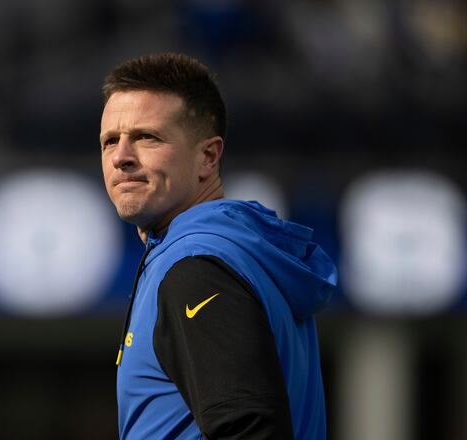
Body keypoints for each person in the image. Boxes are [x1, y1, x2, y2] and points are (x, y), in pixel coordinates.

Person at [100, 53, 337, 439]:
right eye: (110, 141)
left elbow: (248, 429)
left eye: (147, 137)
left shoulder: (196, 266)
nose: (121, 157)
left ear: (208, 157)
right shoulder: (234, 254)